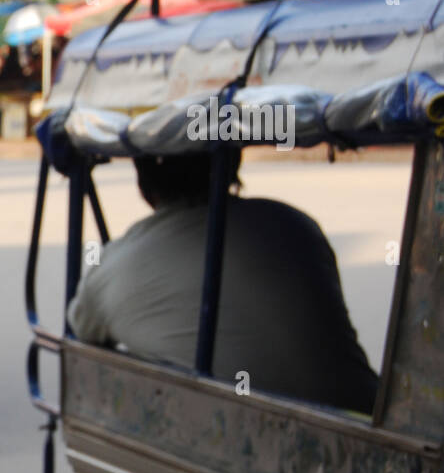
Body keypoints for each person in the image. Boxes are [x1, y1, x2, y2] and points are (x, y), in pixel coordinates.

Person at [67, 150, 379, 414]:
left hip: (234, 444)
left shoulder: (114, 263)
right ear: (231, 167)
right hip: (367, 421)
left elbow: (81, 327)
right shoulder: (295, 224)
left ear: (144, 184)